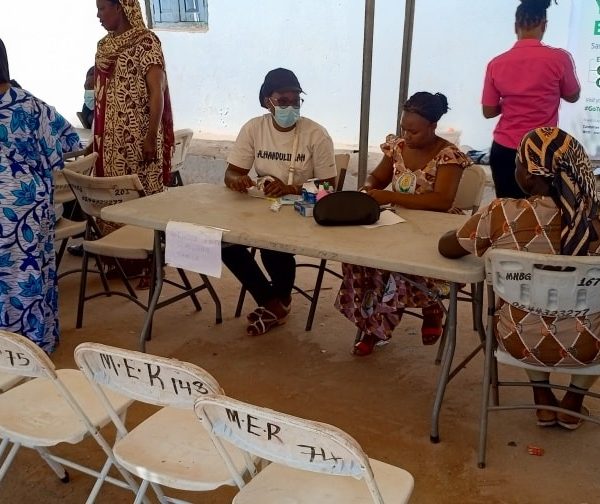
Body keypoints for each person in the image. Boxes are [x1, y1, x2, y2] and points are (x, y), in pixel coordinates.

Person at [439, 127, 600, 430]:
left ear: (529, 176)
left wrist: (467, 228)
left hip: (519, 341)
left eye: (518, 164)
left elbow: (447, 247)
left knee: (528, 308)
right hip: (591, 347)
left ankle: (541, 394)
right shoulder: (596, 217)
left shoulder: (502, 214)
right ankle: (574, 401)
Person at [335, 92, 471, 356]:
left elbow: (442, 200)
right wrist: (368, 187)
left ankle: (407, 316)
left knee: (395, 267)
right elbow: (378, 177)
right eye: (403, 129)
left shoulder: (448, 155)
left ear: (433, 126)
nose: (406, 136)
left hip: (433, 230)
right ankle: (373, 322)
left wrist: (390, 197)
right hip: (398, 222)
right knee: (361, 258)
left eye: (414, 131)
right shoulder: (398, 147)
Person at [223, 68, 337, 336]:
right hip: (263, 208)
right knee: (224, 243)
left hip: (301, 210)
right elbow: (231, 173)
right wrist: (237, 180)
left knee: (272, 247)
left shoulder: (316, 134)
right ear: (267, 102)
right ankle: (273, 302)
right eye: (283, 101)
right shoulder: (254, 128)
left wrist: (291, 188)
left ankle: (278, 302)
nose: (290, 107)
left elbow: (330, 187)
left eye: (296, 101)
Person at [0, 38, 82, 353]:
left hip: (18, 211)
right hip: (27, 209)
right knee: (31, 274)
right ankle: (34, 346)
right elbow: (65, 145)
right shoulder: (31, 106)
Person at [482, 0, 580, 199]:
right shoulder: (559, 59)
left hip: (504, 150)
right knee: (543, 211)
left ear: (515, 26)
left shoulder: (496, 63)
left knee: (507, 210)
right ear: (544, 25)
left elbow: (488, 111)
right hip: (542, 150)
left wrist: (509, 102)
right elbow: (573, 96)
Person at [94, 0, 174, 195]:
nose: (98, 15)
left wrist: (151, 137)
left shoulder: (146, 43)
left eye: (102, 8)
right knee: (113, 199)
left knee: (143, 199)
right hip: (110, 143)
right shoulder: (104, 46)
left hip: (139, 140)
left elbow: (157, 90)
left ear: (119, 7)